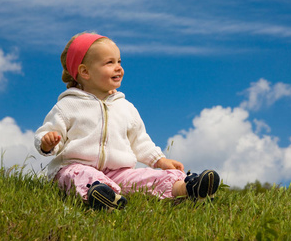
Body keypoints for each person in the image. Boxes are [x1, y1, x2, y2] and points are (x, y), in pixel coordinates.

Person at [34, 32, 220, 211]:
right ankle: (101, 195)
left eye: (119, 61)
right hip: (75, 167)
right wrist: (47, 142)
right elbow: (48, 132)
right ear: (85, 72)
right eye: (109, 62)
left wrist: (160, 160)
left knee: (147, 178)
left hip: (119, 173)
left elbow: (140, 140)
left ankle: (188, 189)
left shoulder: (126, 108)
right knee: (78, 175)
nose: (118, 67)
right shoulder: (68, 106)